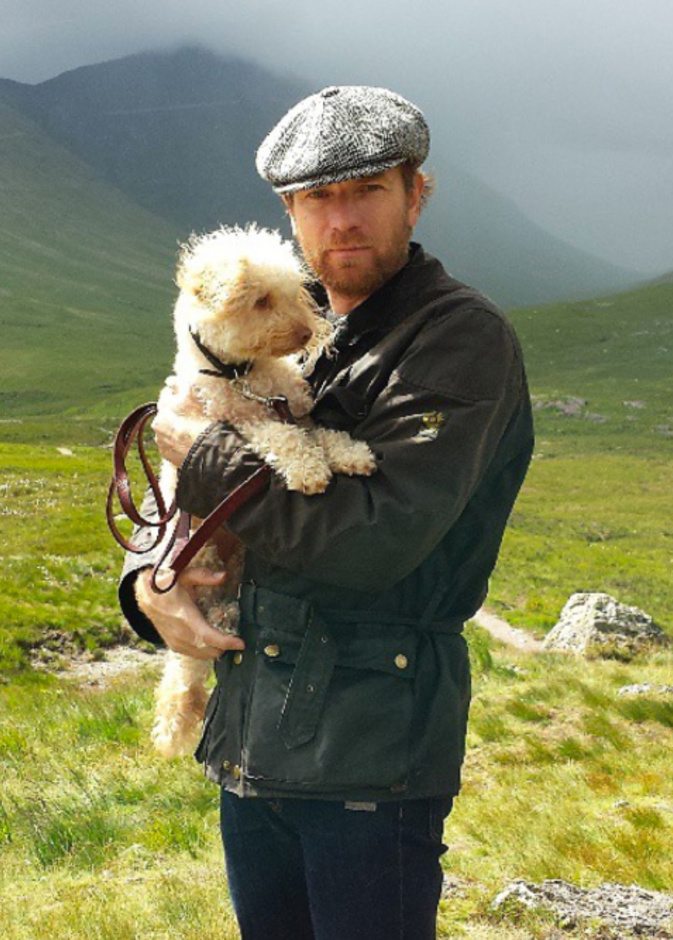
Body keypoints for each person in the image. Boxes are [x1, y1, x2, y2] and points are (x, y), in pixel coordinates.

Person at [119, 85, 534, 940]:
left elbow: (374, 539)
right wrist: (150, 580)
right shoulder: (273, 318)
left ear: (415, 195)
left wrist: (205, 455)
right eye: (316, 198)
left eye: (367, 190)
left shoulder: (457, 338)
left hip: (369, 755)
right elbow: (182, 461)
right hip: (252, 742)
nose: (341, 219)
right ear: (289, 213)